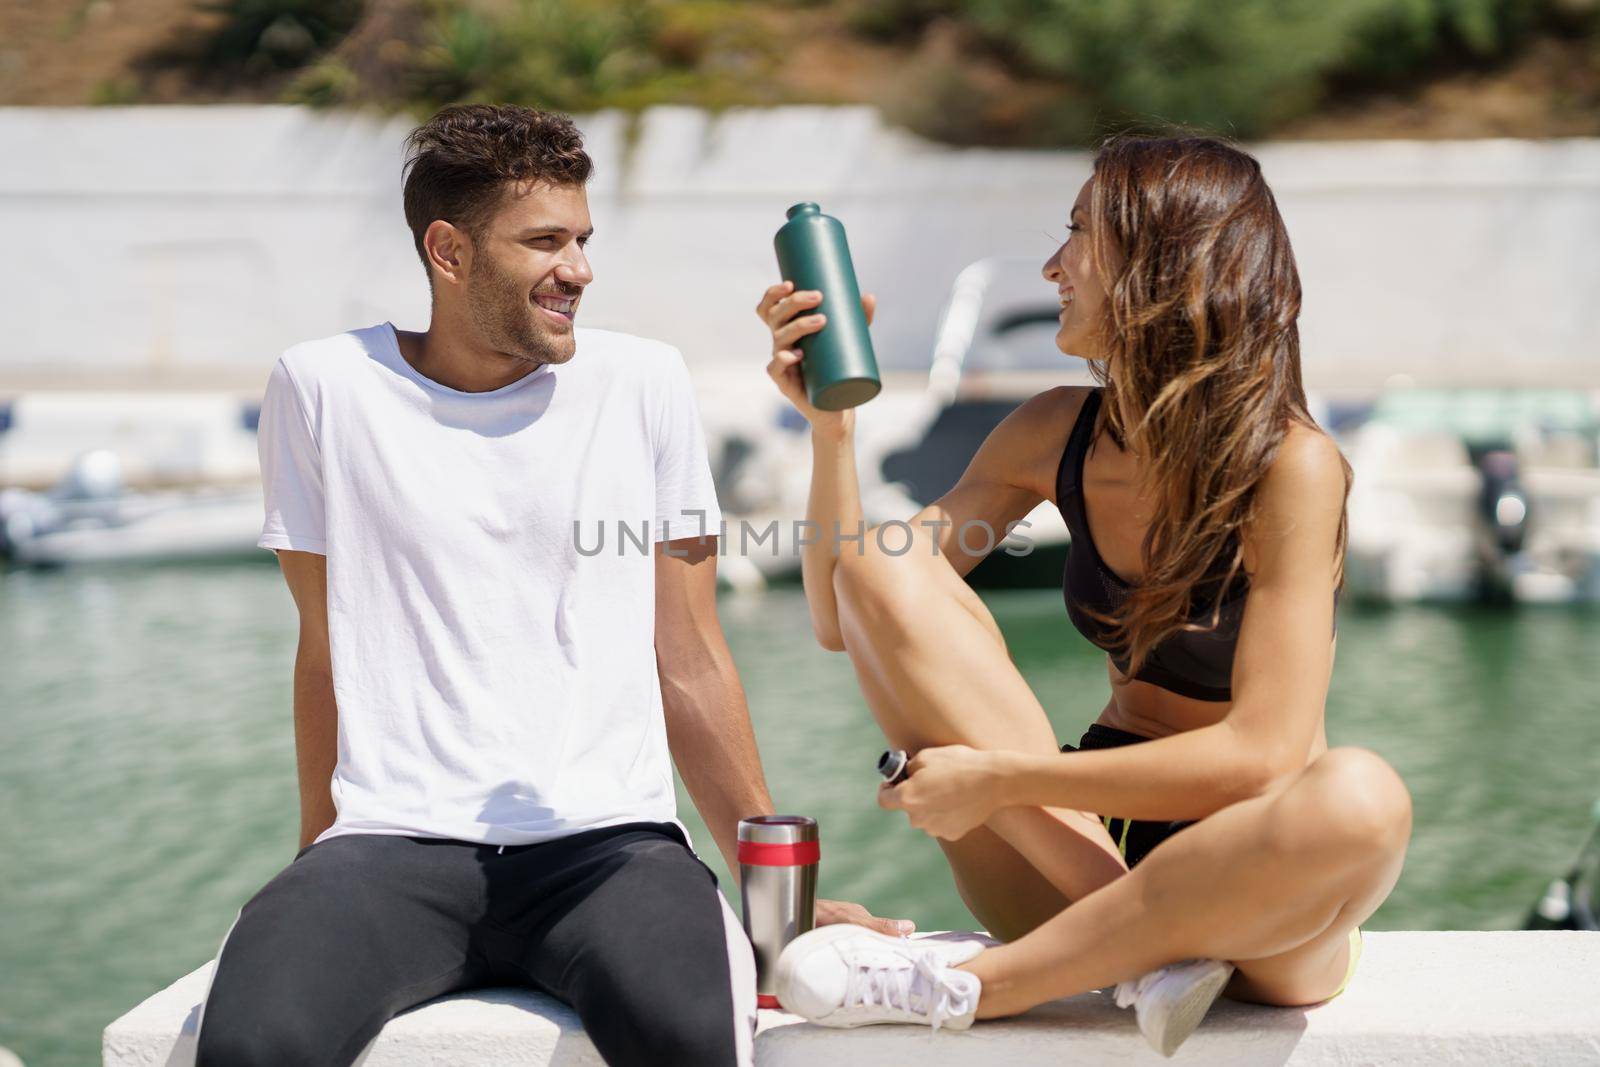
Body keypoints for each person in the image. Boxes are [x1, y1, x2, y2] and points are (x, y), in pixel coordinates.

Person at [192, 102, 908, 1067]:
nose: (579, 268)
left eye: (582, 238)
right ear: (448, 252)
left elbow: (689, 657)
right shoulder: (323, 386)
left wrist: (772, 887)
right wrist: (320, 852)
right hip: (392, 841)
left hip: (611, 848)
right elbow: (325, 644)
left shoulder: (643, 382)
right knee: (251, 1045)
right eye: (544, 241)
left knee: (692, 1041)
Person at [757, 135, 1413, 1056]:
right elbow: (847, 611)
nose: (1051, 266)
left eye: (1078, 236)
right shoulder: (1051, 433)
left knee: (1363, 799)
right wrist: (831, 429)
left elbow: (1264, 756)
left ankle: (977, 988)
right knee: (881, 560)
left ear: (1163, 265)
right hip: (1078, 850)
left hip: (1252, 870)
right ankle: (1145, 949)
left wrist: (1005, 777)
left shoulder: (1290, 467)